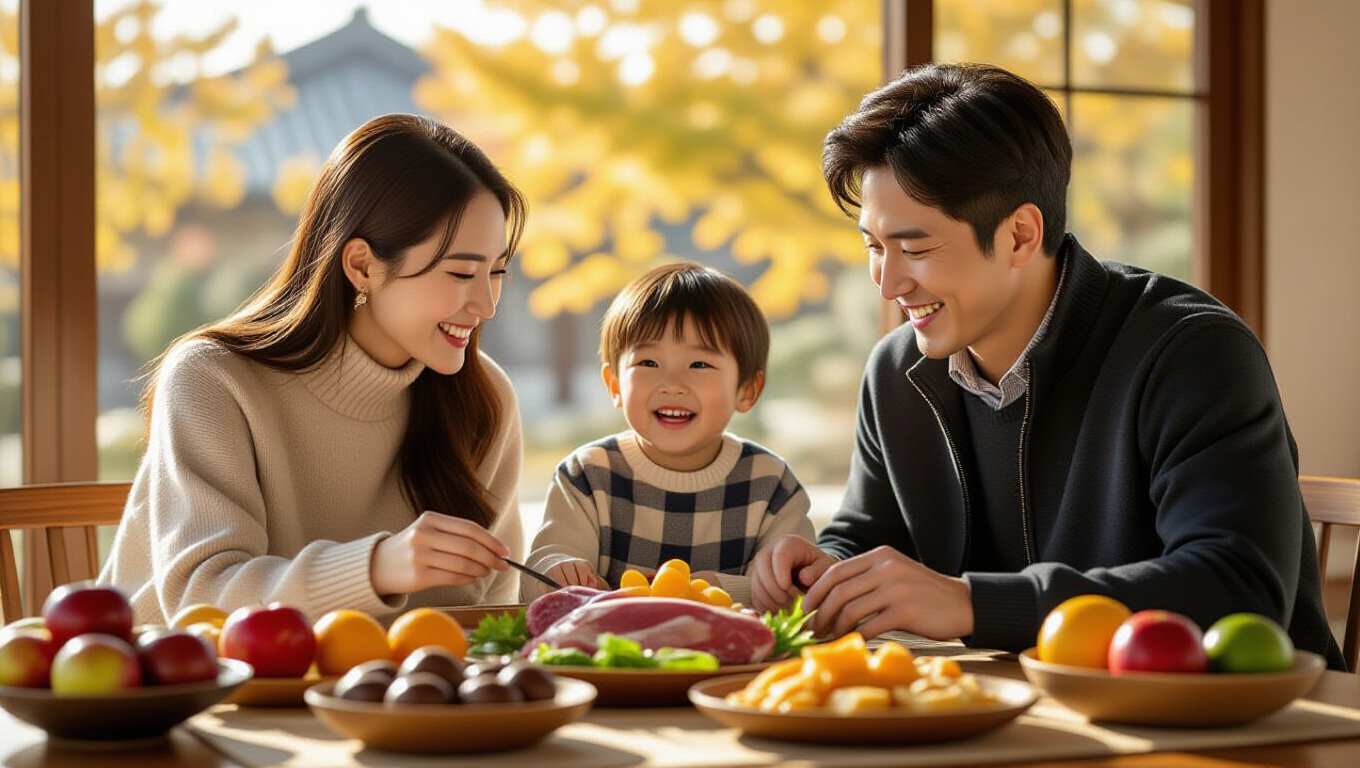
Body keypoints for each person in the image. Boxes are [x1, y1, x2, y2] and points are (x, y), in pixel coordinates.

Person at [748, 63, 1347, 670]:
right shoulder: (898, 372)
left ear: (1019, 235)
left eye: (916, 248)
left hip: (1247, 729)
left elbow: (1237, 585)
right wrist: (823, 570)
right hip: (1022, 719)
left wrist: (971, 604)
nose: (888, 283)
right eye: (874, 247)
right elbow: (874, 537)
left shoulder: (1191, 351)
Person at [100, 114, 529, 624]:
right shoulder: (213, 379)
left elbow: (495, 615)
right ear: (362, 266)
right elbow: (200, 597)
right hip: (189, 693)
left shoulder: (484, 399)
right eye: (461, 272)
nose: (486, 303)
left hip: (391, 697)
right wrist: (375, 569)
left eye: (497, 272)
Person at [523, 262, 815, 607]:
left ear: (747, 390)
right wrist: (557, 570)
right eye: (648, 363)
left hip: (739, 658)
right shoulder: (588, 475)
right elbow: (536, 579)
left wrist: (708, 590)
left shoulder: (771, 484)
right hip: (610, 655)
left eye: (699, 364)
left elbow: (796, 592)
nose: (673, 384)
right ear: (614, 385)